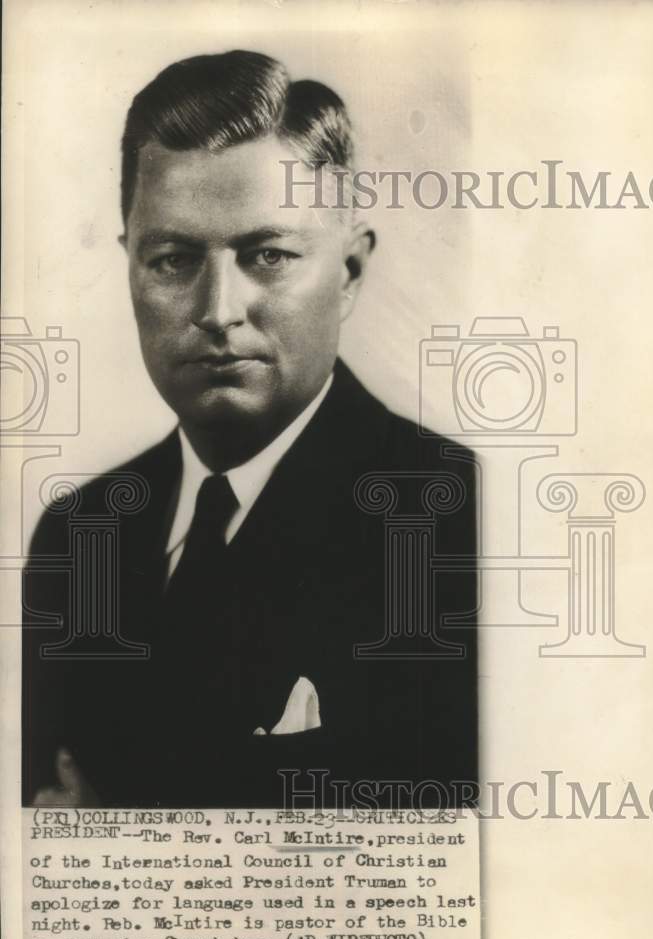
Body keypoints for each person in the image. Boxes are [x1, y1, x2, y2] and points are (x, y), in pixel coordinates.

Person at [22, 50, 477, 808]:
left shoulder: (454, 521)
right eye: (172, 259)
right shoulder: (77, 539)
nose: (218, 311)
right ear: (131, 267)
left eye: (267, 254)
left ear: (350, 272)